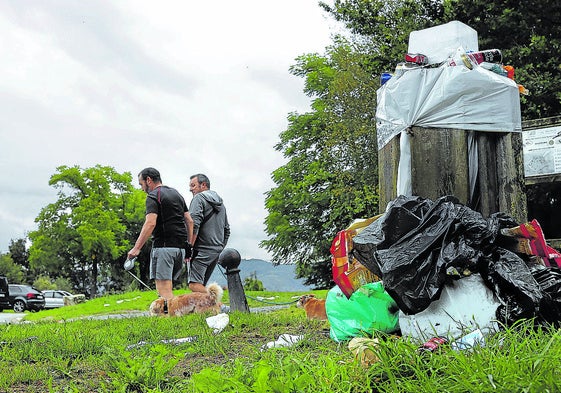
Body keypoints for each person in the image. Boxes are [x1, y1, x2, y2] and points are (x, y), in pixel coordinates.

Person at [128, 167, 194, 307]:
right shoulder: (176, 194)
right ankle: (171, 317)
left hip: (164, 248)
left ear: (149, 180)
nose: (141, 188)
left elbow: (150, 223)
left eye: (141, 184)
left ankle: (173, 321)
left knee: (164, 290)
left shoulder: (153, 196)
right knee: (168, 287)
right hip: (180, 250)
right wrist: (188, 245)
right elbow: (189, 221)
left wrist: (136, 248)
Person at [188, 173, 230, 293]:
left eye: (193, 185)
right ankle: (203, 310)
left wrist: (189, 246)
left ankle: (220, 307)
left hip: (200, 249)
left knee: (194, 284)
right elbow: (227, 229)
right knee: (200, 284)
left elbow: (194, 224)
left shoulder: (198, 199)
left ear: (203, 185)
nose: (190, 189)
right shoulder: (221, 204)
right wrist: (220, 247)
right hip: (215, 250)